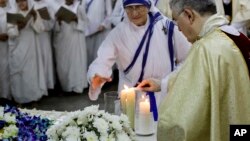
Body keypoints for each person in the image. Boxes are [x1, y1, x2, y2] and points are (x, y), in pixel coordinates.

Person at [137, 0, 250, 140]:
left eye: (176, 21)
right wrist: (162, 84)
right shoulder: (233, 36)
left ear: (189, 15)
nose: (178, 29)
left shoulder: (205, 48)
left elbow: (181, 119)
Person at [87, 0, 190, 104]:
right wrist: (97, 75)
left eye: (139, 7)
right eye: (130, 8)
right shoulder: (118, 34)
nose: (134, 13)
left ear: (148, 6)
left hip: (164, 96)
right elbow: (102, 61)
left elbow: (188, 59)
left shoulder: (168, 27)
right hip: (131, 97)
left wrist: (165, 83)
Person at [7, 0, 47, 103]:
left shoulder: (34, 12)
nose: (21, 3)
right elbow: (10, 32)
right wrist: (18, 27)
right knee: (20, 74)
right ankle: (20, 98)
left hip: (32, 47)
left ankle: (33, 97)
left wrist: (34, 17)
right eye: (18, 1)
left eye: (23, 1)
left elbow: (41, 29)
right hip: (18, 46)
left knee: (31, 72)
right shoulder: (13, 14)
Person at [53, 0, 89, 93]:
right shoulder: (59, 8)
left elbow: (86, 23)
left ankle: (77, 87)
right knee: (64, 63)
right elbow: (55, 28)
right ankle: (67, 87)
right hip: (63, 41)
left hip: (77, 40)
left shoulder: (79, 8)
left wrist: (76, 19)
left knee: (76, 63)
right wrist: (58, 22)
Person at [84, 0, 113, 66]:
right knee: (89, 59)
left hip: (100, 32)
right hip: (87, 33)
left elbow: (109, 13)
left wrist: (104, 24)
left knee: (99, 59)